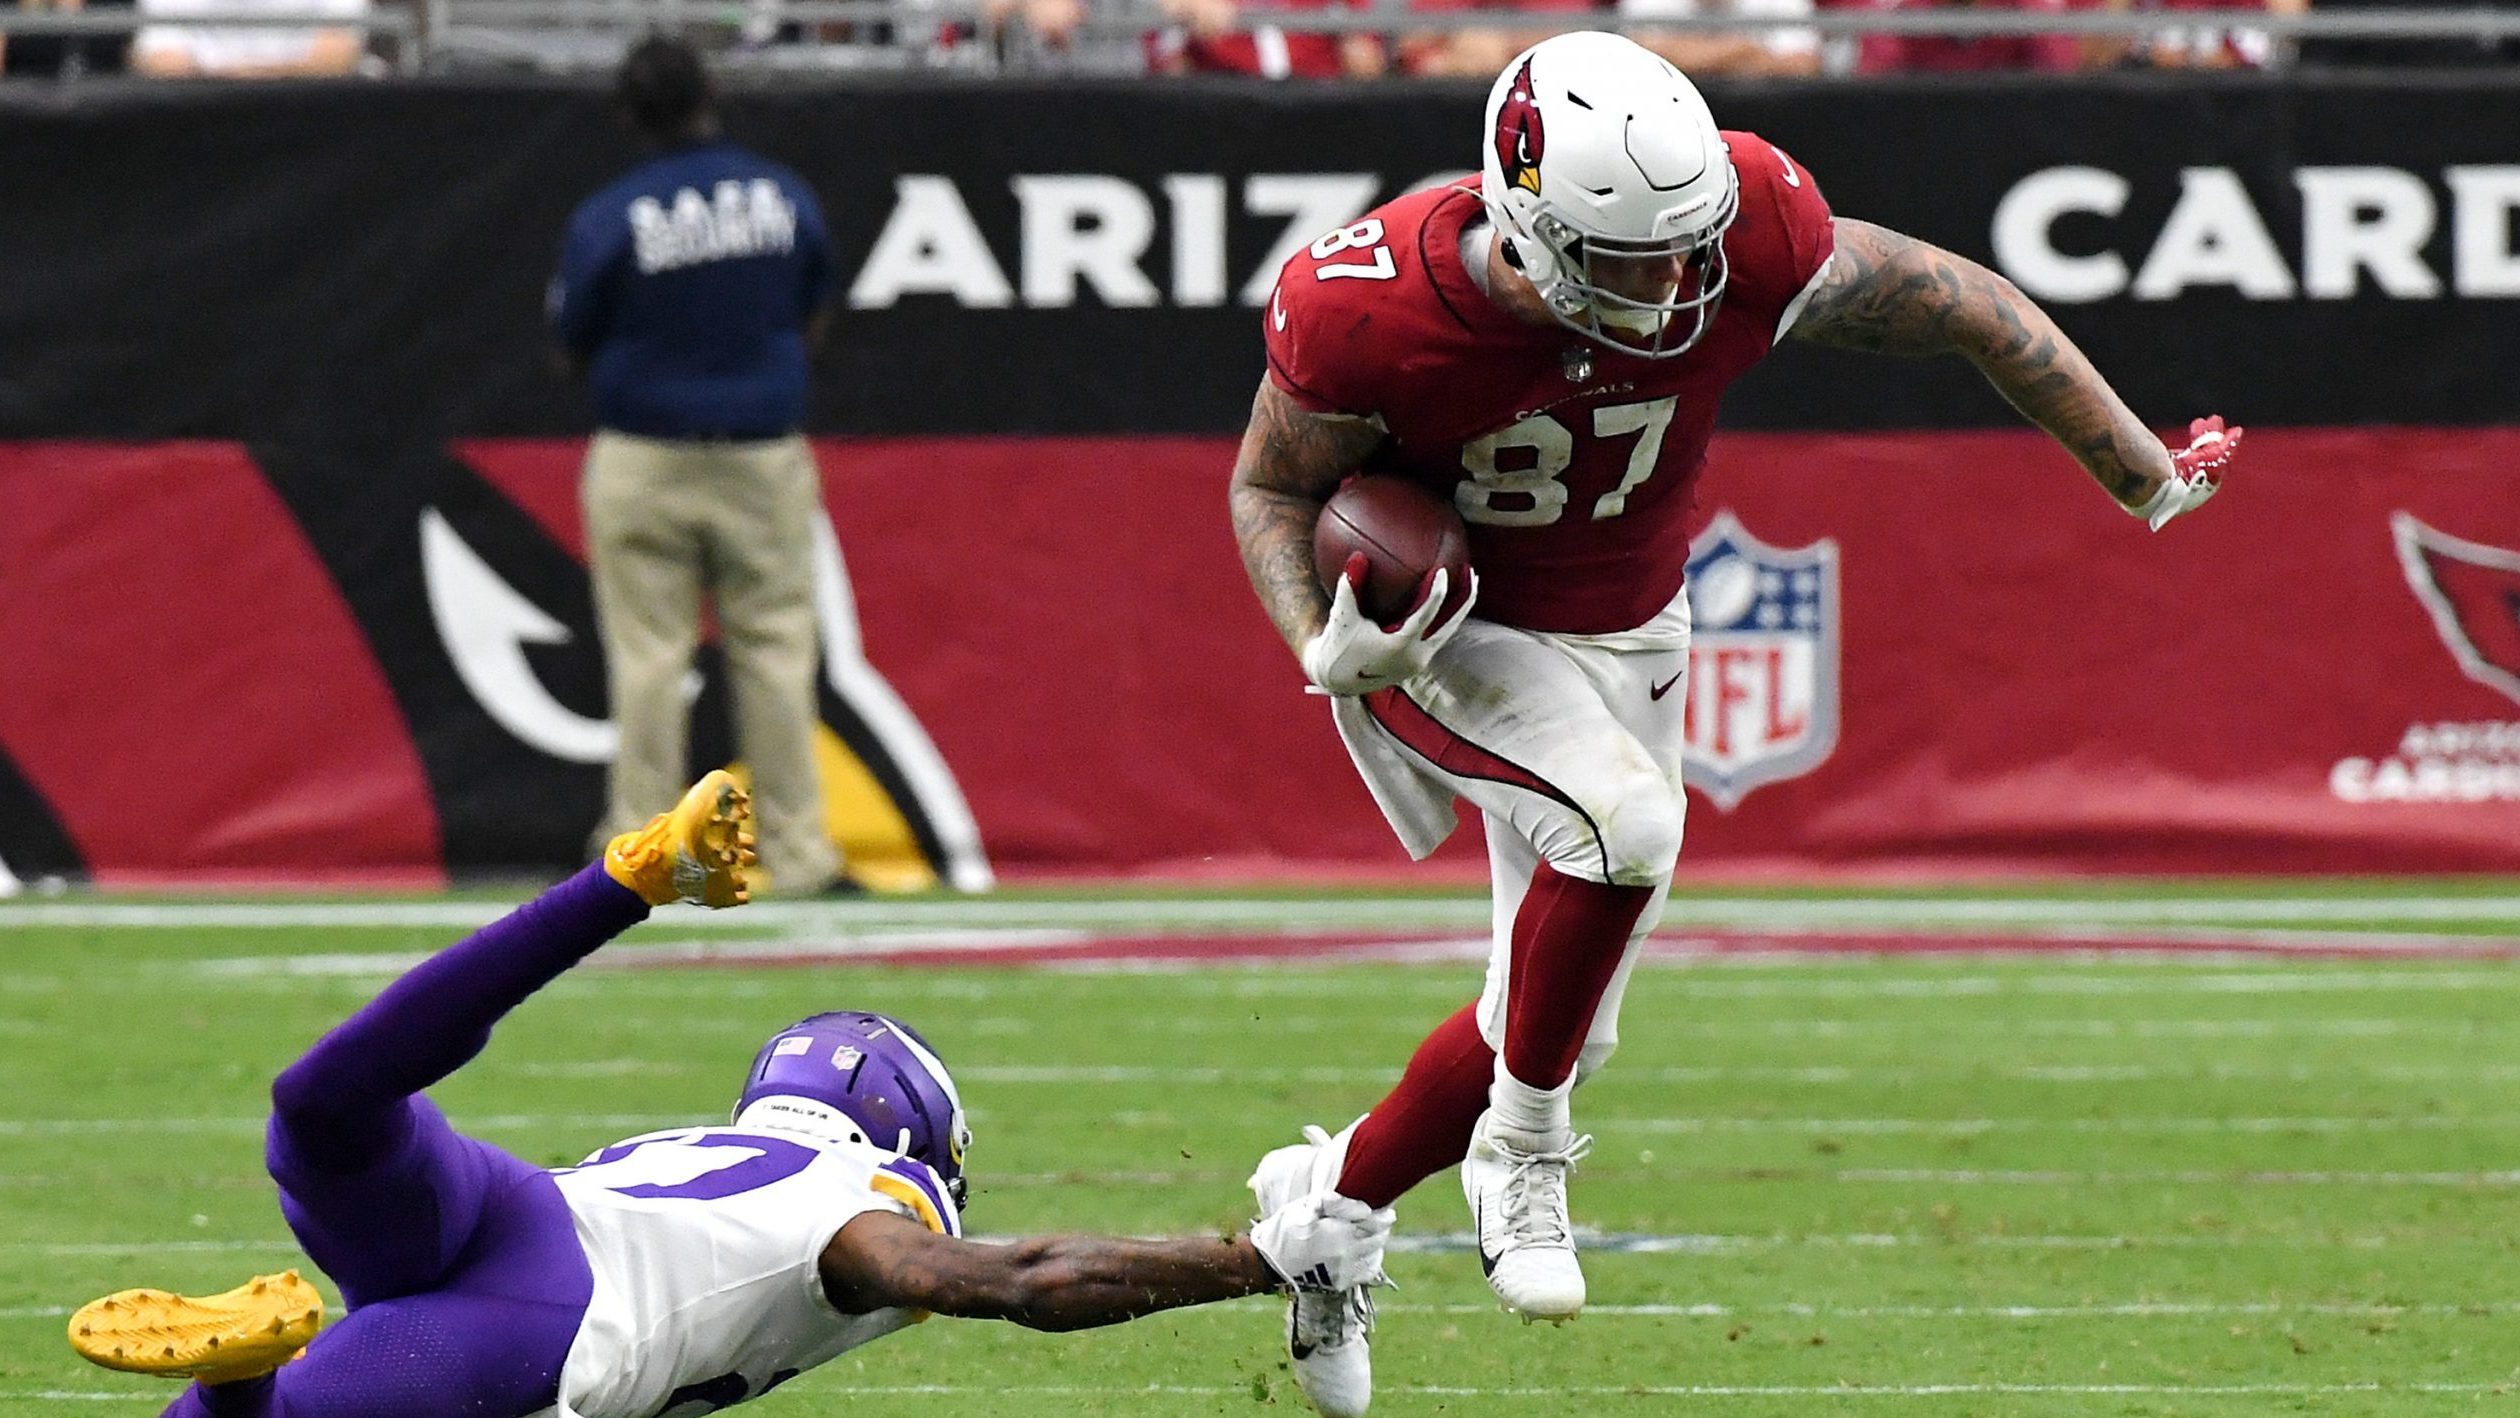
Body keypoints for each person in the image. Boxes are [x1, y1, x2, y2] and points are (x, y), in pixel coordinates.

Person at [1227, 29, 2241, 1417]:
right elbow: (1270, 490)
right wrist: (1317, 639)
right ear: (1529, 220)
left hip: (1638, 623)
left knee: (1556, 1016)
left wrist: (2142, 471)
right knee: (1628, 828)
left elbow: (1962, 301)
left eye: (1686, 244)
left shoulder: (1743, 233)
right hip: (1450, 627)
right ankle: (1521, 1157)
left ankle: (1326, 1217)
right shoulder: (1367, 303)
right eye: (1632, 257)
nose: (1674, 281)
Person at [67, 771, 1395, 1418]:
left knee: (320, 1107)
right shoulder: (865, 1203)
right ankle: (250, 1382)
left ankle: (625, 881)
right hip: (550, 1316)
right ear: (913, 1130)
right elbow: (1015, 1278)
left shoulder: (707, 1140)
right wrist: (1253, 1261)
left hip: (512, 1210)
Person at [551, 35, 848, 897]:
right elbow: (816, 311)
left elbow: (570, 338)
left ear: (628, 112)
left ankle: (642, 860)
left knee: (648, 657)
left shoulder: (613, 213)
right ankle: (796, 854)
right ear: (711, 91)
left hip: (644, 451)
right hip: (760, 450)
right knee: (778, 651)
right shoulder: (781, 195)